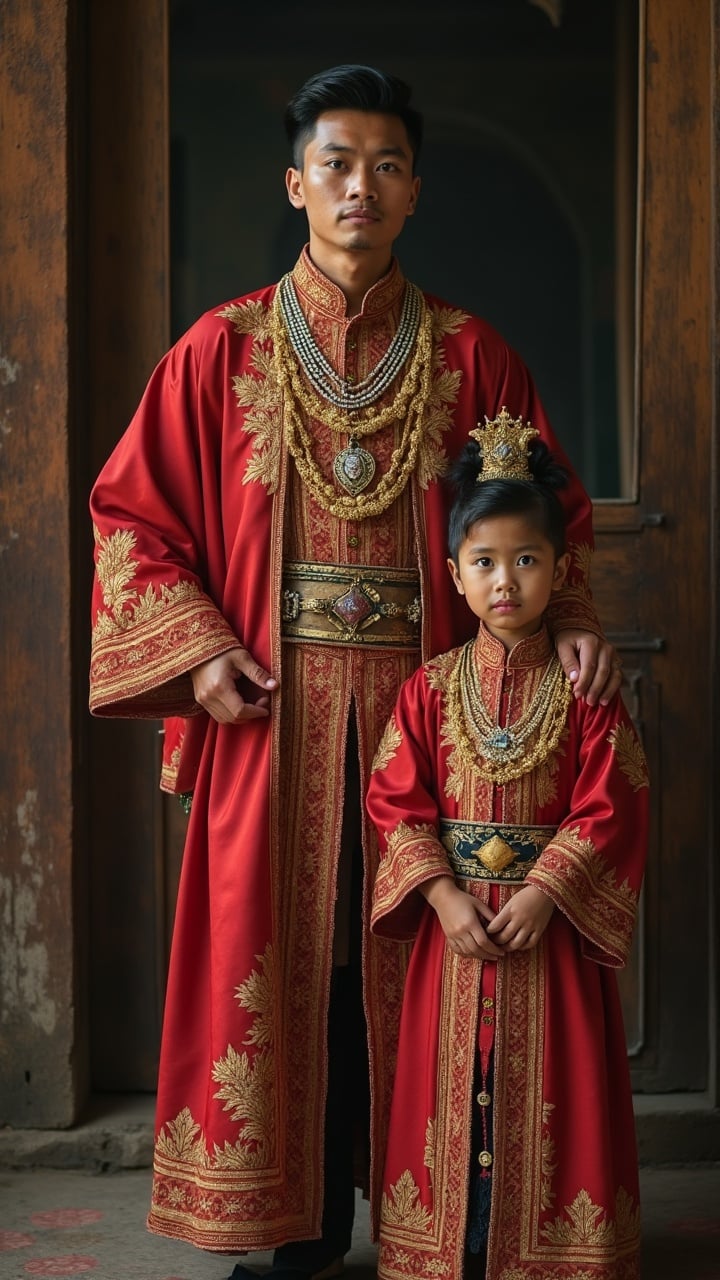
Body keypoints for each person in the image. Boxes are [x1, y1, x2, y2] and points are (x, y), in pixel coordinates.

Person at [88, 65, 621, 1280]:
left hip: (440, 713)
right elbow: (132, 519)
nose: (359, 186)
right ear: (296, 183)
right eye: (336, 162)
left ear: (415, 190)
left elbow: (548, 512)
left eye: (385, 165)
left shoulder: (471, 354)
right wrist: (200, 650)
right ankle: (290, 1224)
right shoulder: (216, 352)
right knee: (295, 961)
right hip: (272, 714)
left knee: (430, 947)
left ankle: (447, 1226)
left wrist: (573, 611)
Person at [366, 417, 648, 1280]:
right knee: (460, 1083)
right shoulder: (428, 688)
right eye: (484, 562)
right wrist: (447, 899)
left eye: (526, 560)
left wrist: (544, 891)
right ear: (453, 575)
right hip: (458, 935)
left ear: (561, 571)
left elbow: (613, 802)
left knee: (552, 1082)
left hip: (546, 929)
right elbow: (393, 799)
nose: (504, 581)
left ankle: (554, 1245)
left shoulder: (586, 692)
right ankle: (460, 1239)